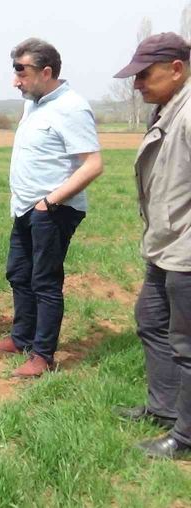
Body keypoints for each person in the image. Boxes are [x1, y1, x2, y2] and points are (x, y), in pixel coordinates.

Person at [0, 38, 103, 377]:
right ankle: (21, 339)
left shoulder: (73, 107)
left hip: (53, 210)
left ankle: (43, 356)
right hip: (26, 209)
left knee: (44, 281)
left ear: (46, 71)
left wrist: (48, 203)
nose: (15, 81)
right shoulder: (33, 103)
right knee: (18, 274)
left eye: (22, 72)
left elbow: (92, 165)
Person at [112, 32, 191, 460]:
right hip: (165, 245)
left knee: (186, 342)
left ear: (176, 69)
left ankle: (186, 436)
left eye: (144, 75)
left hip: (186, 251)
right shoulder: (168, 108)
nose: (137, 84)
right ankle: (164, 409)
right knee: (150, 319)